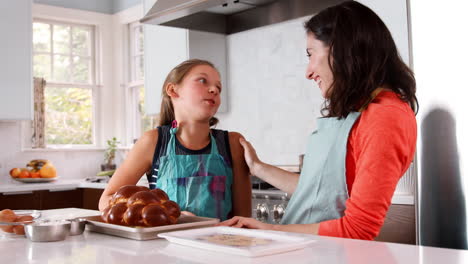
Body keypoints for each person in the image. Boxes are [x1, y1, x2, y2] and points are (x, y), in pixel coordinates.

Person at [219, 1, 418, 240]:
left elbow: (359, 229)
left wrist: (271, 230)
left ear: (342, 49)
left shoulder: (385, 117)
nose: (308, 71)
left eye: (311, 54)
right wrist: (258, 168)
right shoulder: (358, 111)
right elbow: (318, 193)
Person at [99, 59, 252, 221]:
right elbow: (106, 200)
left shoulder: (233, 143)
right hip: (164, 245)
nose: (214, 89)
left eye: (219, 87)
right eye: (202, 80)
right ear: (173, 90)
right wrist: (159, 211)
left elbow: (242, 218)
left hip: (220, 243)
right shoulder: (152, 142)